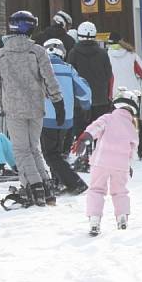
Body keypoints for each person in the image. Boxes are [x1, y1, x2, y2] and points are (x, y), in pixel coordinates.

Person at [0, 11, 65, 206]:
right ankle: (47, 188)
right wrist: (58, 103)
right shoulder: (37, 51)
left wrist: (2, 104)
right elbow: (50, 79)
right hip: (36, 107)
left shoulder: (1, 54)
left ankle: (34, 187)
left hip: (14, 109)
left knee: (21, 151)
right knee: (34, 148)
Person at [72, 90, 139, 236]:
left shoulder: (108, 118)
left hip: (101, 162)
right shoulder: (132, 127)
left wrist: (86, 137)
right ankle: (122, 219)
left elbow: (96, 127)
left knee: (96, 190)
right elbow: (133, 148)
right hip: (121, 166)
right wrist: (129, 165)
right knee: (120, 191)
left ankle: (95, 221)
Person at [42, 39, 91, 195]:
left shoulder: (40, 69)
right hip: (67, 119)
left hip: (47, 117)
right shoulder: (68, 69)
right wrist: (85, 106)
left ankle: (75, 182)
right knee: (59, 153)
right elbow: (84, 91)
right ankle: (58, 182)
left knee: (50, 154)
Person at [107, 32, 142, 159]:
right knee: (135, 121)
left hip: (116, 93)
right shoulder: (131, 54)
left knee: (116, 121)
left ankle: (119, 150)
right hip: (133, 93)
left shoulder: (107, 55)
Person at [67, 21, 113, 123]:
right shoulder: (103, 53)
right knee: (99, 132)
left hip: (80, 101)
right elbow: (108, 75)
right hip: (100, 100)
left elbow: (70, 78)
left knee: (81, 134)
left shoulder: (73, 53)